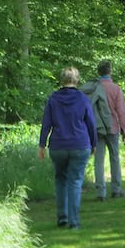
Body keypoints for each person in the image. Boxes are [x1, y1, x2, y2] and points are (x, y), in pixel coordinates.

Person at [38, 66, 97, 230]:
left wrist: (42, 145)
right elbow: (91, 124)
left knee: (61, 180)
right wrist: (94, 143)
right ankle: (74, 221)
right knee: (75, 182)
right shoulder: (83, 99)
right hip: (80, 144)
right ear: (76, 80)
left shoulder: (53, 99)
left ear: (62, 80)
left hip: (58, 145)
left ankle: (62, 217)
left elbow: (46, 124)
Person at [80, 60, 125, 200]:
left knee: (99, 160)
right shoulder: (115, 89)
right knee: (114, 157)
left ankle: (101, 192)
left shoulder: (92, 88)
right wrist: (124, 130)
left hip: (96, 128)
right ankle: (116, 189)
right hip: (113, 127)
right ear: (110, 71)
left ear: (98, 72)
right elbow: (121, 111)